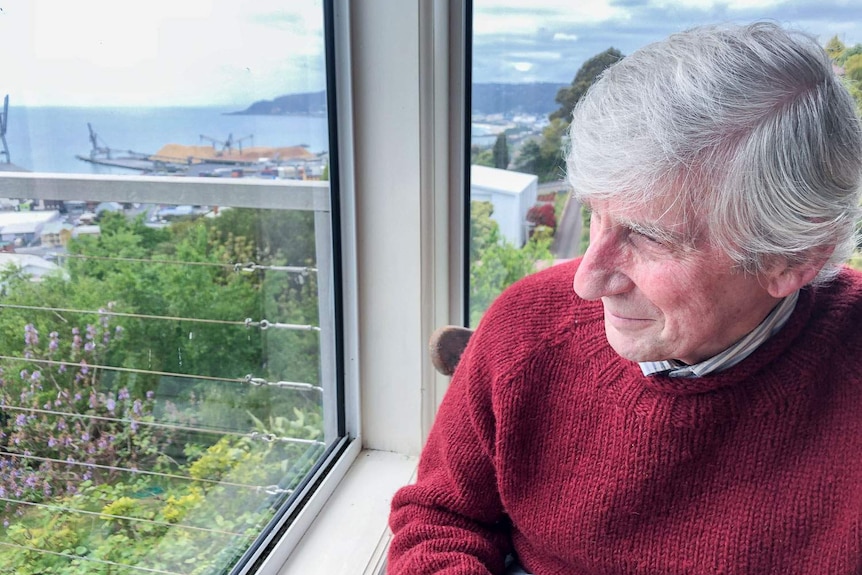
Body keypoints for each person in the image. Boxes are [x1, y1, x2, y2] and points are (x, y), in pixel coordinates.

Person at [387, 22, 862, 575]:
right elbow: (441, 517)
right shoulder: (528, 324)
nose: (586, 282)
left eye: (648, 234)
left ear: (793, 258)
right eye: (596, 214)